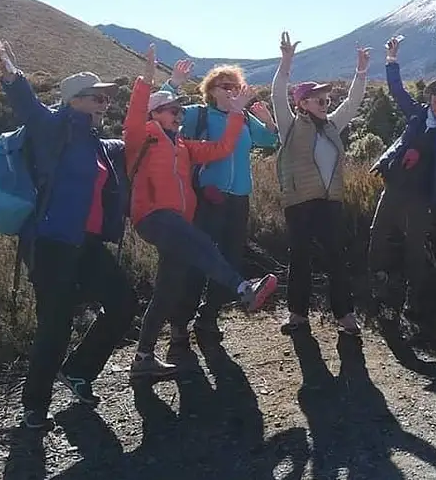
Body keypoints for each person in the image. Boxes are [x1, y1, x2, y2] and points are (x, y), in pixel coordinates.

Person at [0, 34, 136, 430]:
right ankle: (34, 406)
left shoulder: (97, 143)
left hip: (85, 244)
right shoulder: (54, 127)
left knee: (122, 304)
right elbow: (27, 106)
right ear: (74, 99)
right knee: (55, 324)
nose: (105, 104)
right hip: (51, 242)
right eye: (97, 97)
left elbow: (133, 140)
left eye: (106, 98)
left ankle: (80, 371)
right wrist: (8, 69)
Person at [124, 45, 278, 379]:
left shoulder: (182, 146)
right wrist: (158, 79)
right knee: (203, 248)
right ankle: (242, 288)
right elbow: (140, 108)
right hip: (155, 215)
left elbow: (222, 148)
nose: (179, 118)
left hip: (181, 217)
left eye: (180, 115)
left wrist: (240, 113)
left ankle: (143, 356)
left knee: (168, 286)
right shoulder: (143, 136)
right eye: (171, 114)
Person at [158, 61, 281, 346]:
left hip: (239, 199)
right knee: (199, 260)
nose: (233, 92)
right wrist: (172, 82)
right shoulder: (199, 115)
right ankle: (179, 322)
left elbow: (269, 141)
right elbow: (164, 113)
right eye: (226, 87)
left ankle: (208, 317)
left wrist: (268, 120)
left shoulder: (245, 119)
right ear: (211, 91)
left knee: (230, 259)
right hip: (208, 198)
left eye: (237, 87)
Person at [271, 31, 370, 336]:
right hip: (300, 203)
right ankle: (297, 316)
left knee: (335, 259)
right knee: (300, 259)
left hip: (330, 203)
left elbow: (353, 103)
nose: (326, 103)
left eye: (327, 99)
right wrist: (286, 62)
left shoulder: (331, 126)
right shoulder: (290, 126)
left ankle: (345, 317)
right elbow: (277, 95)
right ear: (302, 103)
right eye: (319, 99)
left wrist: (361, 71)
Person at [368, 35, 436, 332]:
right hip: (397, 185)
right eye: (434, 90)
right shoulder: (417, 114)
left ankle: (414, 300)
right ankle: (379, 283)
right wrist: (391, 61)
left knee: (415, 244)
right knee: (378, 231)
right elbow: (397, 91)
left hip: (423, 194)